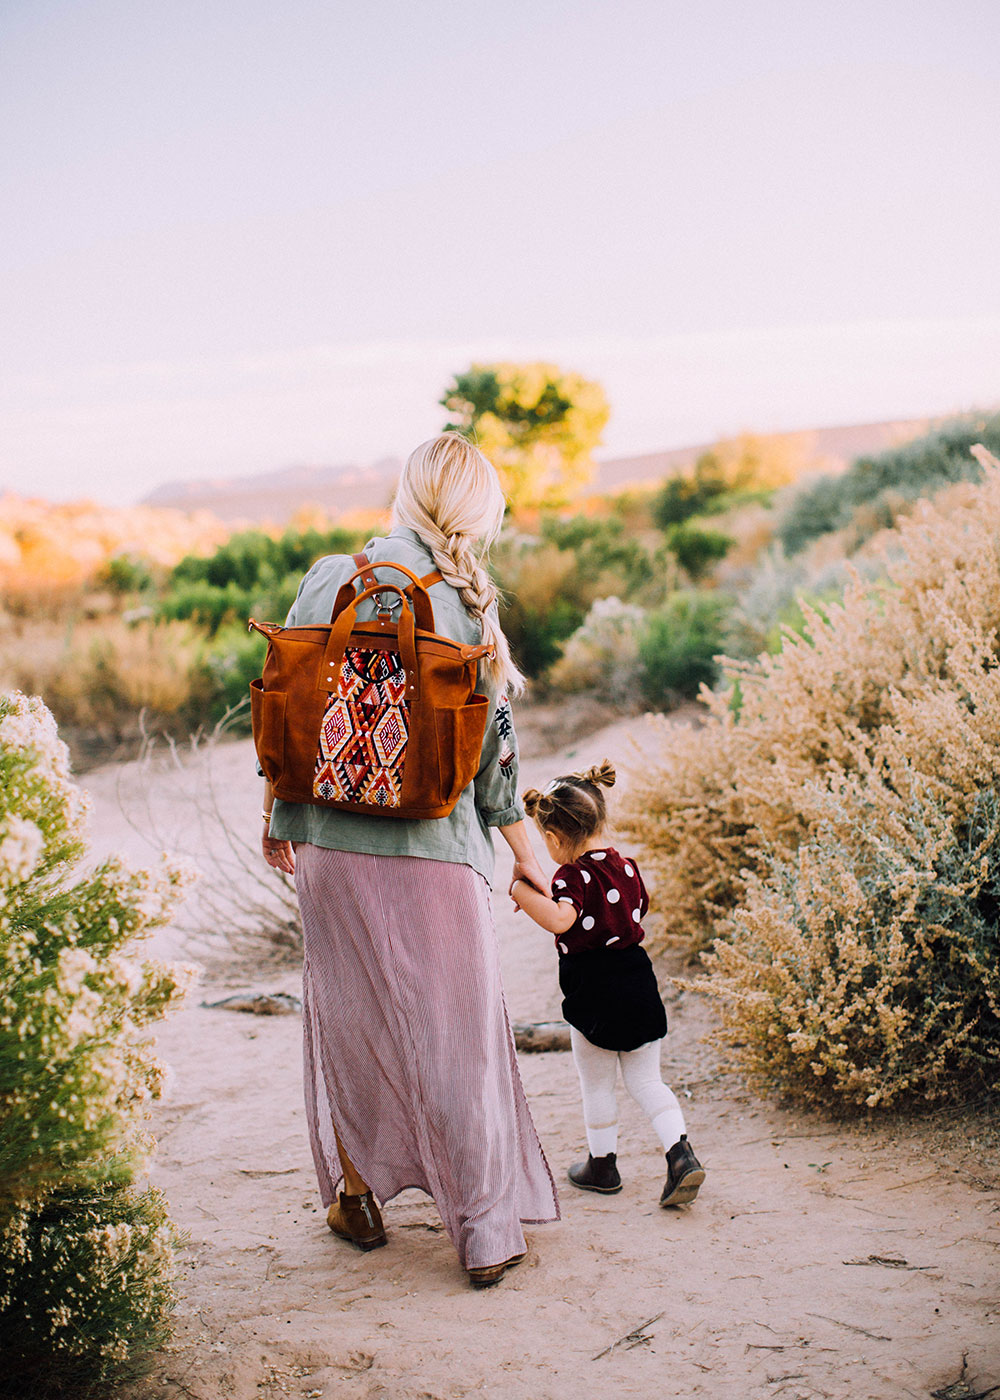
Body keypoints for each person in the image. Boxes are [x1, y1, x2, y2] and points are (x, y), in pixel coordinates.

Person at [258, 432, 558, 1288]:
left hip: (326, 844)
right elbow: (496, 767)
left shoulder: (329, 577)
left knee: (351, 1020)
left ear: (403, 494)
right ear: (476, 513)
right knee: (455, 1036)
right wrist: (525, 854)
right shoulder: (470, 604)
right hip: (433, 850)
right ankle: (488, 1230)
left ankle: (359, 1201)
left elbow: (289, 710)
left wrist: (280, 814)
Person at [509, 761, 705, 1207]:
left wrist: (522, 890)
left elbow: (561, 919)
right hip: (637, 981)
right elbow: (640, 910)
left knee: (597, 1084)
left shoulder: (571, 876)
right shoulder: (627, 867)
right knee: (647, 1081)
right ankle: (680, 1155)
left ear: (555, 839)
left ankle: (603, 1165)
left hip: (595, 992)